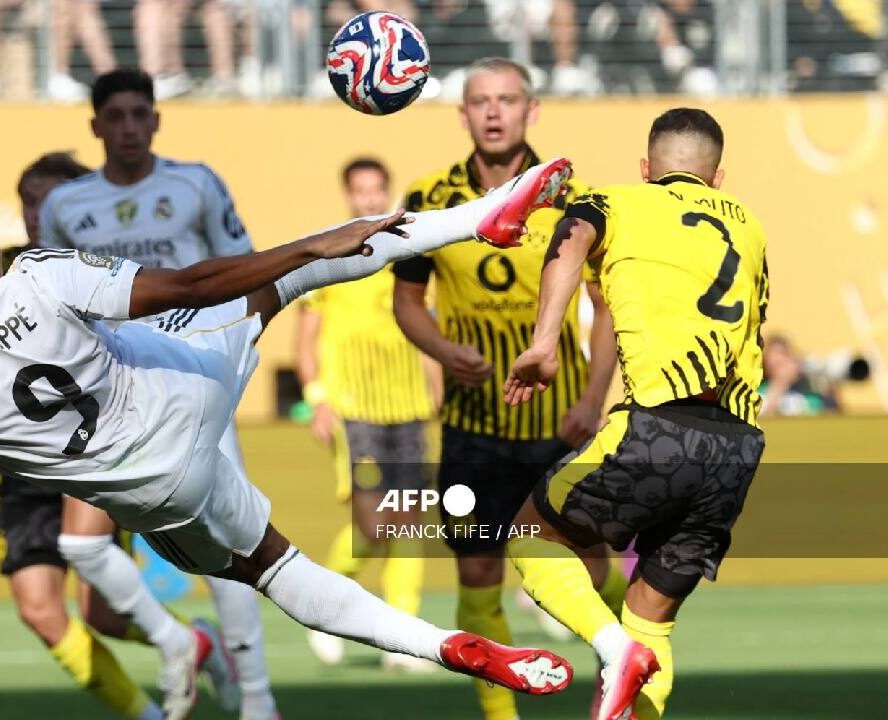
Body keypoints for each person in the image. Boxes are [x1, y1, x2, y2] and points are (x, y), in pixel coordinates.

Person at [0, 158, 580, 712]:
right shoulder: (37, 274)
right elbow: (194, 283)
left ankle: (449, 648)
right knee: (297, 271)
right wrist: (308, 247)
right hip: (187, 392)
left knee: (276, 571)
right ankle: (481, 216)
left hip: (156, 495)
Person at [500, 108, 768, 719]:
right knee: (652, 616)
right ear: (717, 178)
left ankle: (611, 648)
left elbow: (571, 237)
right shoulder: (749, 226)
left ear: (646, 169)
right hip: (737, 445)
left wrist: (544, 342)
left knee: (531, 536)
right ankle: (630, 655)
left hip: (660, 423)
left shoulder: (617, 201)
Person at [392, 56, 626, 720]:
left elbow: (607, 306)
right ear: (463, 114)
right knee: (476, 574)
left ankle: (624, 669)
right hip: (473, 429)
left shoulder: (576, 198)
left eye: (507, 99)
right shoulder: (429, 198)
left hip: (561, 423)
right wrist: (444, 350)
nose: (494, 111)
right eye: (481, 101)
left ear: (532, 110)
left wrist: (593, 400)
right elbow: (407, 304)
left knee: (590, 566)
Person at [39, 67, 275, 720]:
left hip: (196, 377)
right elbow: (55, 302)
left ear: (157, 120)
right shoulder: (66, 207)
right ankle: (184, 643)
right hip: (114, 391)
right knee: (82, 543)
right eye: (115, 117)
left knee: (229, 534)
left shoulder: (195, 184)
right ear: (95, 126)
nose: (129, 128)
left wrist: (236, 350)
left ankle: (258, 699)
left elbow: (247, 269)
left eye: (140, 114)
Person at [0, 151, 165, 720]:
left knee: (104, 616)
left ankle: (197, 644)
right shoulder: (1, 271)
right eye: (28, 202)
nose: (37, 213)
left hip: (91, 452)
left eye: (50, 201)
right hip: (25, 462)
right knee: (38, 610)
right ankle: (148, 713)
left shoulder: (108, 272)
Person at [296, 157, 441, 672]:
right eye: (361, 191)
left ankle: (404, 639)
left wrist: (437, 386)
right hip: (354, 409)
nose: (370, 199)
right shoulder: (328, 255)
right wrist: (316, 398)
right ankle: (321, 608)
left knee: (410, 521)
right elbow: (305, 340)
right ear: (348, 195)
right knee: (373, 524)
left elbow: (424, 324)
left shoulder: (408, 253)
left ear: (387, 190)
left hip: (409, 407)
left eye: (377, 189)